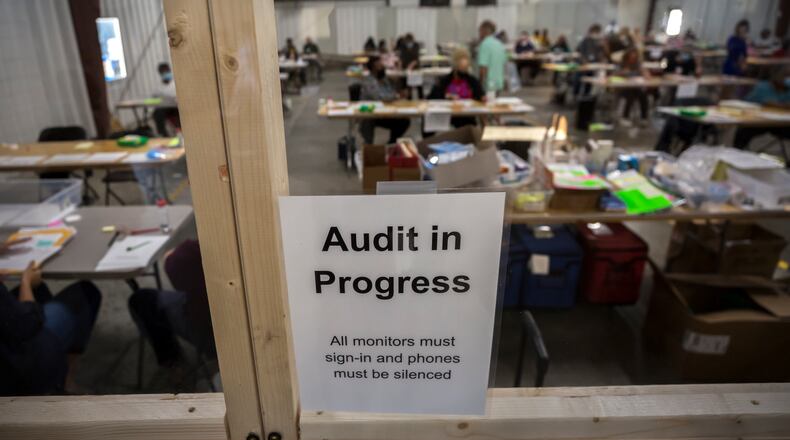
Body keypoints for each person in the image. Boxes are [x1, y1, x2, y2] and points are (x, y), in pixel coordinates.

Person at [0, 246, 102, 395]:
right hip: (18, 366)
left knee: (39, 290)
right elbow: (27, 323)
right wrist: (26, 282)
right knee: (87, 293)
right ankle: (62, 381)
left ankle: (57, 379)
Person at [128, 240, 215, 370]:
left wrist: (172, 255)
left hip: (213, 330)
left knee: (141, 301)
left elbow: (177, 271)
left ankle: (174, 364)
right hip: (233, 320)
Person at [733, 70, 790, 150]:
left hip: (782, 123)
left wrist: (780, 105)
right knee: (743, 132)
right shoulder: (763, 87)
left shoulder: (787, 85)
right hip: (759, 121)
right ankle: (736, 152)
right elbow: (749, 103)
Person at [428, 48, 483, 130]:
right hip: (449, 117)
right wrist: (446, 96)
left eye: (465, 69)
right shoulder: (445, 80)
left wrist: (482, 98)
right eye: (461, 69)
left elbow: (480, 95)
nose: (463, 73)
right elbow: (431, 97)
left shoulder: (472, 81)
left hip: (467, 117)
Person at [358, 56, 410, 144]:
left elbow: (391, 92)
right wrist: (397, 96)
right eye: (380, 65)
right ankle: (370, 145)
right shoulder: (369, 81)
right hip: (371, 113)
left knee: (404, 121)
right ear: (374, 67)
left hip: (385, 111)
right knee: (368, 122)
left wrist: (397, 89)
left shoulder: (384, 79)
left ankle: (392, 143)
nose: (383, 66)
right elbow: (379, 97)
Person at [616, 47, 651, 127]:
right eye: (631, 56)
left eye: (635, 56)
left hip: (636, 87)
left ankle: (643, 118)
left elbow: (645, 73)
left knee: (644, 95)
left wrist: (645, 73)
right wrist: (623, 73)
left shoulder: (637, 64)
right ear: (627, 56)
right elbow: (615, 74)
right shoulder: (621, 63)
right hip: (623, 87)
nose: (633, 58)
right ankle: (625, 116)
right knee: (630, 95)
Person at [574, 24, 608, 96]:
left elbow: (601, 54)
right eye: (596, 31)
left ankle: (586, 96)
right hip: (583, 64)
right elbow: (579, 52)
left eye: (598, 32)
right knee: (578, 80)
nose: (597, 34)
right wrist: (584, 61)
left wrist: (603, 49)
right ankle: (576, 94)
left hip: (592, 65)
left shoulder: (598, 41)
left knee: (589, 81)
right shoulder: (585, 40)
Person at [477, 20, 508, 95]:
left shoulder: (484, 44)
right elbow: (503, 63)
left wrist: (479, 85)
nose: (479, 34)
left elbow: (483, 67)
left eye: (479, 31)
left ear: (484, 31)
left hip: (488, 85)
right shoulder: (499, 44)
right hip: (498, 83)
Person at [152, 62, 180, 137]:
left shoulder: (176, 83)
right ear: (160, 73)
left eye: (167, 71)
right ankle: (163, 135)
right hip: (165, 108)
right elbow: (155, 97)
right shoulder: (158, 87)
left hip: (176, 107)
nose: (165, 73)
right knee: (157, 113)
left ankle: (181, 131)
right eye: (163, 72)